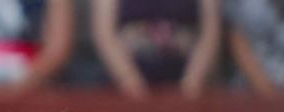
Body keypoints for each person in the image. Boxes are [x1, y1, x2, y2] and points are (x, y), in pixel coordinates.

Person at [91, 0, 220, 95]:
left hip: (190, 78)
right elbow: (105, 34)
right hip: (124, 82)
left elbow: (210, 32)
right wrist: (135, 89)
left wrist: (190, 88)